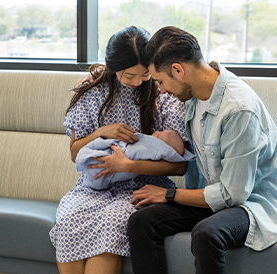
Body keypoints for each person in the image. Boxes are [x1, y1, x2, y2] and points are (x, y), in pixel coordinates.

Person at [127, 26, 277, 274]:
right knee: (141, 222)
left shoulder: (238, 110)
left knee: (206, 234)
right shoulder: (192, 95)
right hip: (212, 198)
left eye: (161, 81)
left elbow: (233, 194)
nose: (161, 90)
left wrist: (169, 194)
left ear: (178, 70)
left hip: (252, 205)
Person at [49, 26, 190, 274]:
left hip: (144, 188)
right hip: (92, 188)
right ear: (113, 68)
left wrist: (129, 166)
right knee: (69, 222)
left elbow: (180, 164)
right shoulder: (93, 93)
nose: (137, 82)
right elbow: (75, 154)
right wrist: (102, 132)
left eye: (145, 74)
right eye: (128, 76)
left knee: (112, 222)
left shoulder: (164, 94)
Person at [76, 129, 194, 190]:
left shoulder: (169, 102)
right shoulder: (89, 95)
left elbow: (180, 167)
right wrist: (100, 132)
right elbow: (74, 153)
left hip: (140, 187)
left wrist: (126, 165)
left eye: (159, 135)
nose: (156, 132)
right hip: (91, 185)